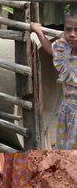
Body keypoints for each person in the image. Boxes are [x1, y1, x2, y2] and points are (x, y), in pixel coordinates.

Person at [30, 14, 77, 150]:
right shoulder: (64, 48)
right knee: (64, 147)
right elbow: (51, 50)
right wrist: (38, 31)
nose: (72, 34)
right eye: (68, 30)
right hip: (66, 110)